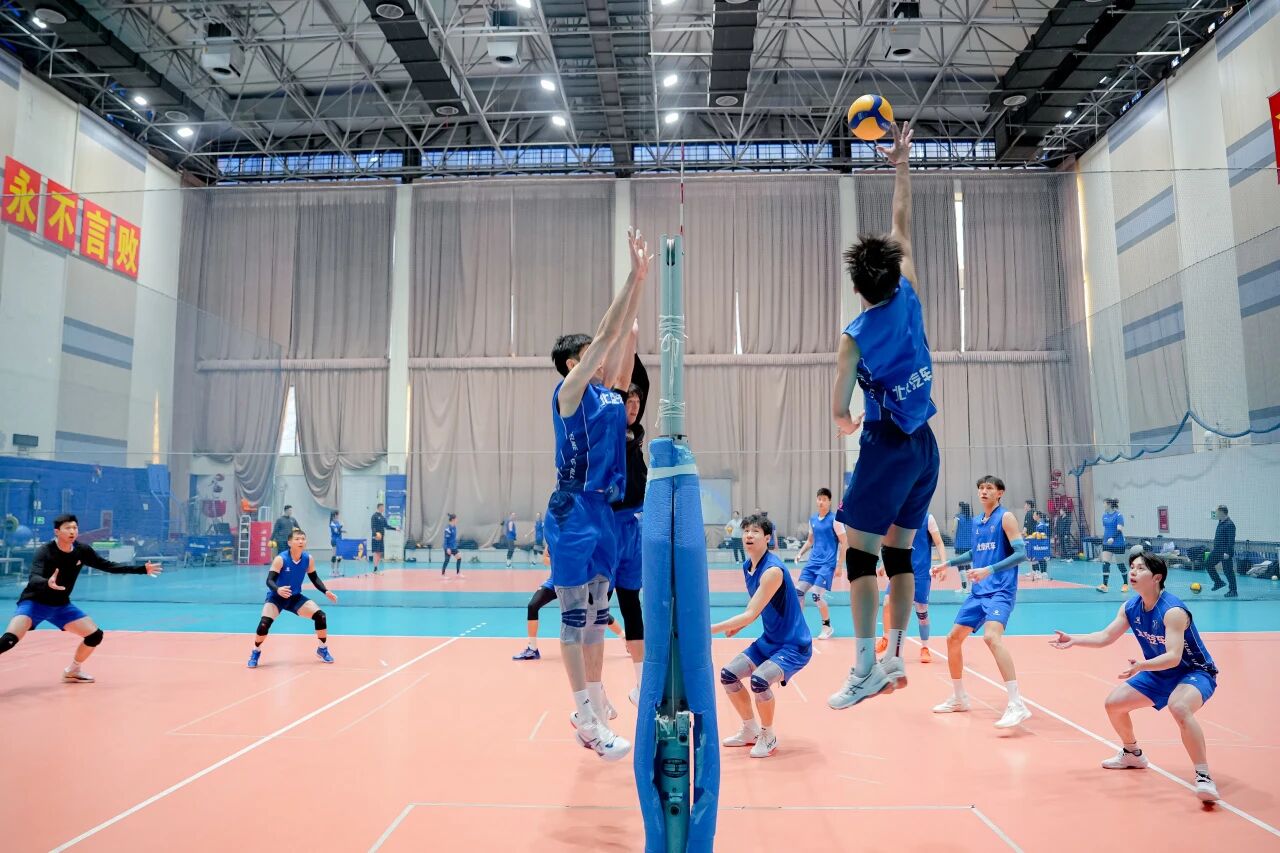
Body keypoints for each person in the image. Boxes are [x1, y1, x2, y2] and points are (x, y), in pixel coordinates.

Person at [828, 121, 941, 711]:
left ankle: (864, 667)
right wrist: (900, 161)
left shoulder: (855, 336)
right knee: (899, 556)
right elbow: (902, 221)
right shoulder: (911, 290)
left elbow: (838, 406)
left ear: (857, 288)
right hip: (925, 448)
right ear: (895, 274)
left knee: (858, 557)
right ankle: (895, 656)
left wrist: (846, 423)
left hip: (886, 445)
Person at [545, 226, 648, 761]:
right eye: (590, 354)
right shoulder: (570, 392)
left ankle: (595, 701)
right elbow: (610, 334)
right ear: (574, 363)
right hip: (572, 511)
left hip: (605, 512)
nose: (600, 358)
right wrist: (630, 277)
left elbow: (623, 342)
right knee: (572, 618)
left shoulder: (609, 397)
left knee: (596, 616)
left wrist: (641, 285)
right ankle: (584, 715)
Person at [1050, 551, 1220, 802]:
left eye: (1140, 568)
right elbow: (1105, 636)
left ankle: (1203, 776)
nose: (1132, 571)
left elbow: (1174, 657)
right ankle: (1132, 754)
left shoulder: (1172, 610)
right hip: (1158, 671)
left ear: (1157, 577)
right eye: (1132, 567)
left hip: (1194, 671)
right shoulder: (1131, 607)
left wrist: (1142, 666)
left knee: (1180, 706)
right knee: (1114, 704)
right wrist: (1074, 639)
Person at [0, 513, 162, 682]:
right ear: (57, 531)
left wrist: (141, 569)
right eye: (67, 528)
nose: (72, 531)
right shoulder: (45, 551)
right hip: (35, 603)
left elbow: (108, 566)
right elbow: (34, 577)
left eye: (75, 527)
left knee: (95, 636)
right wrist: (47, 582)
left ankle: (73, 670)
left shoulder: (82, 551)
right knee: (9, 640)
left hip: (61, 606)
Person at [930, 475, 1031, 728]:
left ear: (1000, 493)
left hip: (1001, 590)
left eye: (989, 488)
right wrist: (947, 563)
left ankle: (1016, 704)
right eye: (981, 488)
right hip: (978, 592)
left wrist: (990, 570)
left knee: (991, 637)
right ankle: (959, 698)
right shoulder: (977, 521)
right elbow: (975, 552)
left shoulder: (1006, 518)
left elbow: (1021, 553)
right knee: (953, 638)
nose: (984, 491)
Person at [712, 514, 812, 759]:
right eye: (746, 530)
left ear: (767, 538)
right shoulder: (748, 566)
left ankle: (768, 735)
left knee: (759, 681)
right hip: (770, 641)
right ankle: (750, 729)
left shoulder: (772, 571)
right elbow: (758, 605)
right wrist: (741, 626)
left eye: (755, 531)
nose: (749, 535)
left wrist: (708, 629)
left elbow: (749, 613)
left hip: (794, 645)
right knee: (728, 676)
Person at [611, 351, 650, 705]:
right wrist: (626, 341)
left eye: (638, 403)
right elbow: (620, 390)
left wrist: (633, 346)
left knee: (631, 606)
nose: (635, 406)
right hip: (606, 527)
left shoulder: (635, 436)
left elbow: (644, 385)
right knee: (594, 608)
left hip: (631, 531)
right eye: (629, 401)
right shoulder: (608, 430)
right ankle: (593, 695)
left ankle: (641, 686)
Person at [247, 528, 338, 668]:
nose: (301, 541)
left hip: (294, 598)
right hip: (276, 597)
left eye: (303, 539)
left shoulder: (308, 559)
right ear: (289, 542)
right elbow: (269, 580)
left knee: (321, 616)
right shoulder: (281, 559)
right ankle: (256, 651)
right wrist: (278, 589)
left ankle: (322, 648)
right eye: (297, 539)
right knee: (264, 624)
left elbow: (314, 578)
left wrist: (325, 591)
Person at [877, 512, 946, 662]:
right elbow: (892, 543)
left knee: (921, 612)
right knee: (887, 602)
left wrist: (943, 565)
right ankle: (886, 638)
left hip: (920, 574)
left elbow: (939, 542)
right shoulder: (898, 516)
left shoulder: (928, 518)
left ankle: (925, 648)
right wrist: (884, 563)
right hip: (899, 570)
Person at [513, 574, 623, 662]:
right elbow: (545, 559)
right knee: (532, 606)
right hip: (555, 581)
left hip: (575, 583)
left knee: (596, 613)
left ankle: (624, 637)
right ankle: (532, 649)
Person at [794, 488, 847, 640]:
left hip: (827, 564)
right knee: (798, 592)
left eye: (824, 499)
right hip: (812, 563)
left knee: (816, 595)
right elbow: (810, 541)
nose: (821, 502)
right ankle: (797, 627)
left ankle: (827, 627)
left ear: (829, 502)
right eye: (819, 499)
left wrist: (839, 565)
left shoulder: (835, 520)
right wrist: (800, 553)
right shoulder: (813, 520)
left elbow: (844, 542)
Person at [1205, 505, 1237, 598]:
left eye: (1217, 512)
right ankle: (1218, 582)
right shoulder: (1220, 522)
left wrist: (1228, 553)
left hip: (1225, 552)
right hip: (1217, 551)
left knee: (1228, 571)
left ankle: (1233, 591)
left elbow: (1231, 541)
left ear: (1222, 512)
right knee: (1208, 564)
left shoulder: (1230, 524)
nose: (1216, 513)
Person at [1098, 498, 1127, 593]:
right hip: (1107, 543)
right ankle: (1104, 585)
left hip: (1118, 544)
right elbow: (1107, 529)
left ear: (1109, 504)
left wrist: (1113, 538)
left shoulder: (1118, 516)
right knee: (1105, 563)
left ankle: (1125, 584)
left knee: (1120, 564)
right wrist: (1105, 539)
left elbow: (1119, 530)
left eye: (1104, 504)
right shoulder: (1104, 516)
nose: (1103, 506)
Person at [953, 501, 973, 594]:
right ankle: (970, 588)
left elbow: (954, 530)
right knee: (968, 566)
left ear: (961, 508)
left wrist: (954, 538)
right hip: (969, 546)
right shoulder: (972, 519)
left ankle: (964, 588)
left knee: (960, 566)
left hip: (960, 545)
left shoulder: (957, 517)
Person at [370, 502, 394, 573]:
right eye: (382, 507)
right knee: (376, 552)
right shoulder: (374, 516)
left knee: (380, 553)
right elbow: (373, 526)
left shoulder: (383, 517)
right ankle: (375, 568)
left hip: (381, 538)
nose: (383, 509)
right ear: (379, 507)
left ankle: (377, 567)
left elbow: (387, 526)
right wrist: (375, 535)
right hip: (376, 537)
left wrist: (395, 528)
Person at [1032, 510, 1051, 580]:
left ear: (1038, 516)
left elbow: (1041, 535)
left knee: (1042, 558)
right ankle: (1038, 572)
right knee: (1038, 558)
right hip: (1040, 544)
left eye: (1034, 515)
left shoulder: (1041, 525)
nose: (1033, 516)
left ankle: (1044, 573)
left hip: (1042, 544)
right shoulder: (1038, 524)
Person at [329, 511, 344, 578]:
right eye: (337, 515)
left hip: (339, 540)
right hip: (334, 540)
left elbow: (339, 531)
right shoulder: (332, 523)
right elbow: (336, 531)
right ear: (334, 515)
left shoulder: (337, 522)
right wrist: (341, 527)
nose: (338, 516)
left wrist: (342, 531)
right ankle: (332, 571)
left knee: (339, 556)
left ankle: (337, 571)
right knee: (334, 556)